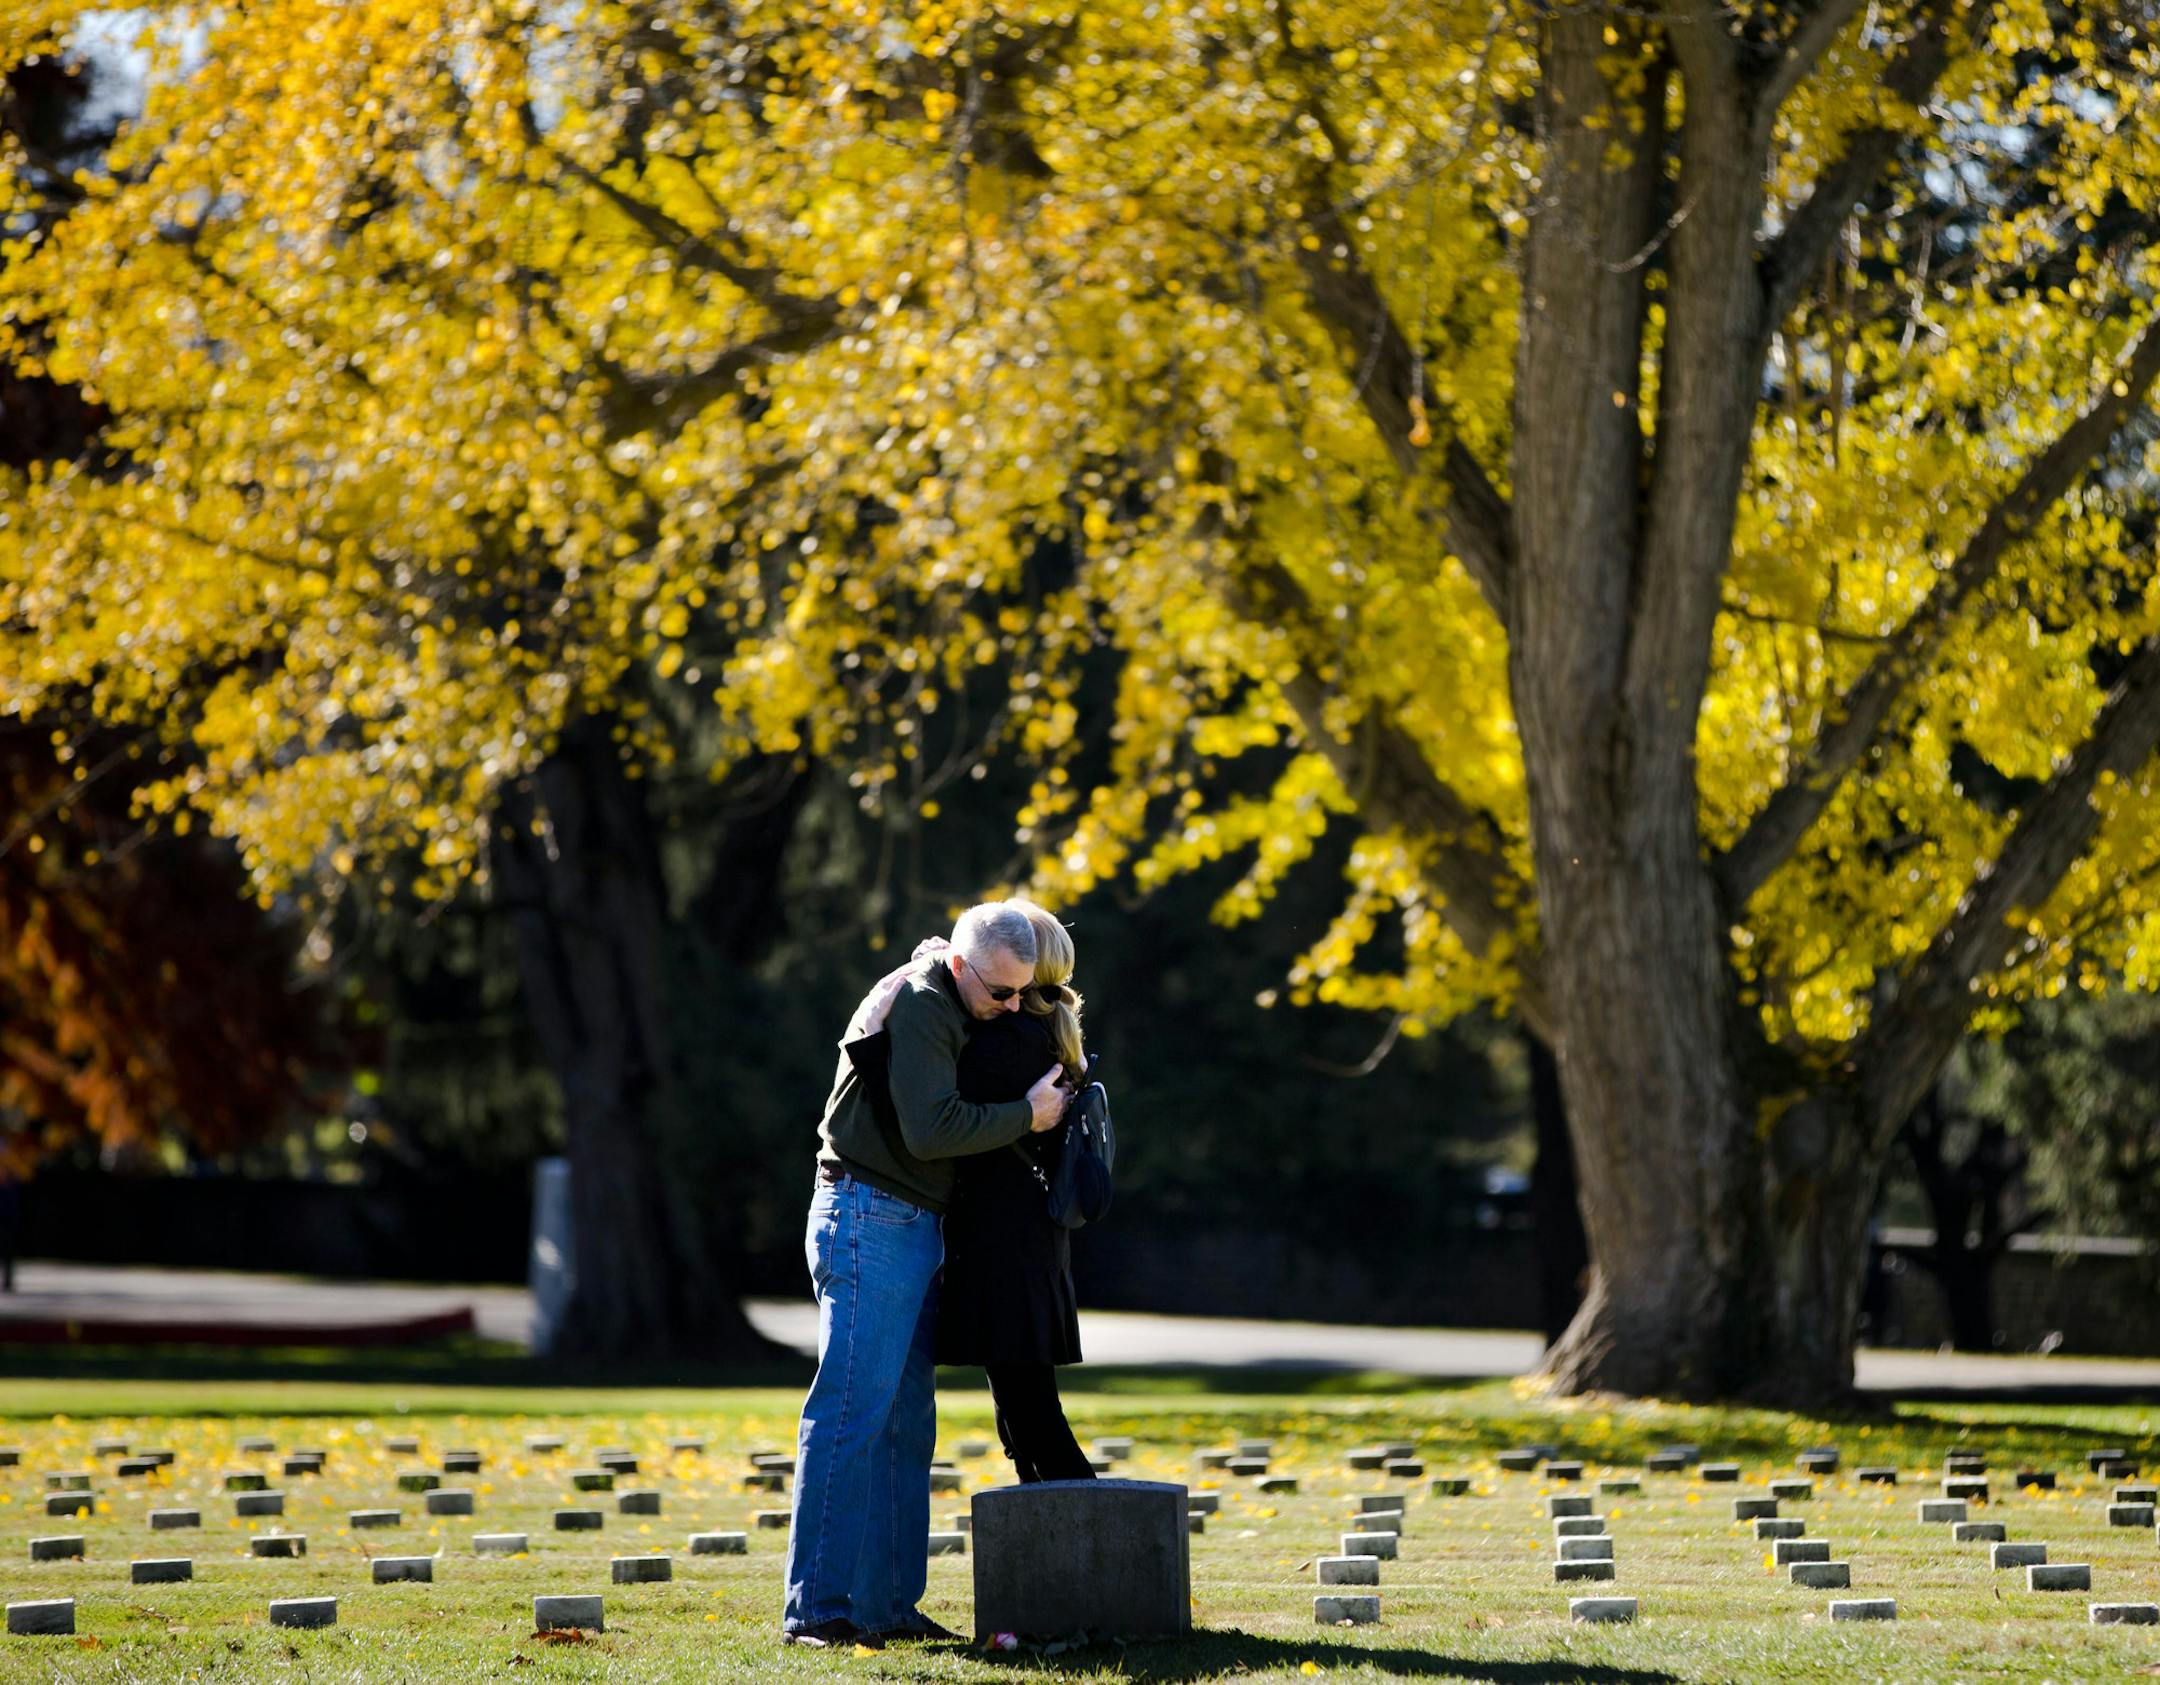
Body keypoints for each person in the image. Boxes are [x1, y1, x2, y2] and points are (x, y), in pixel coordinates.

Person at [781, 902, 1067, 1651]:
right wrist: (1028, 1114)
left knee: (908, 1426)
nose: (1009, 1006)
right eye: (1001, 993)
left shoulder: (960, 993)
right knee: (849, 1412)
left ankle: (884, 1605)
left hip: (911, 1222)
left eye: (1021, 993)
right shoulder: (923, 1002)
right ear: (963, 965)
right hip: (869, 1214)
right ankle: (814, 1608)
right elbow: (931, 1127)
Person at [935, 900, 1097, 1484]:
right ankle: (1051, 1551)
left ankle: (1103, 1551)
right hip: (1028, 1239)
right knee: (1022, 1412)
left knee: (1031, 1416)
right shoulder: (1046, 1035)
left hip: (1004, 1242)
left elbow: (937, 1111)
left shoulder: (1011, 1042)